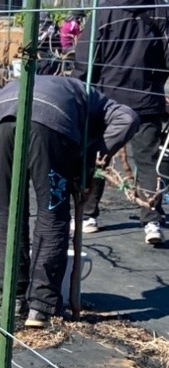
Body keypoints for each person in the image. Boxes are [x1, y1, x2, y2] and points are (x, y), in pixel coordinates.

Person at [0, 77, 139, 329]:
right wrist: (91, 155)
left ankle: (12, 301)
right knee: (52, 215)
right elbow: (128, 118)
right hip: (49, 125)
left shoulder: (65, 87)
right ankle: (40, 306)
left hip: (0, 120)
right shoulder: (97, 100)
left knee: (9, 213)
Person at [72, 0, 169, 245]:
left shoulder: (103, 11)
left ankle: (88, 214)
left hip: (108, 100)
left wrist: (81, 93)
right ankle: (152, 219)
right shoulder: (160, 10)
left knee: (99, 155)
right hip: (147, 99)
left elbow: (86, 59)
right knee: (147, 161)